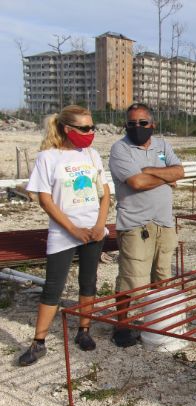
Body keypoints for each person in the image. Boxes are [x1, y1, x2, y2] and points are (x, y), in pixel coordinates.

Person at [18, 105, 110, 366]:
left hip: (93, 230)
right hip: (64, 232)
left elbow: (104, 194)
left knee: (88, 282)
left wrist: (99, 224)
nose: (90, 132)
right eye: (84, 128)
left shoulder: (92, 155)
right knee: (53, 287)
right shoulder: (48, 157)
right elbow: (45, 200)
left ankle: (84, 331)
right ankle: (39, 342)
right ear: (67, 129)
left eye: (92, 127)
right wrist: (72, 230)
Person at [109, 103, 184, 347]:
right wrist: (165, 177)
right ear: (125, 125)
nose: (137, 128)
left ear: (152, 124)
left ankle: (159, 322)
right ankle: (121, 325)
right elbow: (137, 183)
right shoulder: (120, 149)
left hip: (164, 222)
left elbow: (180, 171)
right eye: (132, 124)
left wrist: (151, 169)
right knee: (132, 278)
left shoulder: (163, 145)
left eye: (142, 123)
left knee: (162, 277)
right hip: (135, 224)